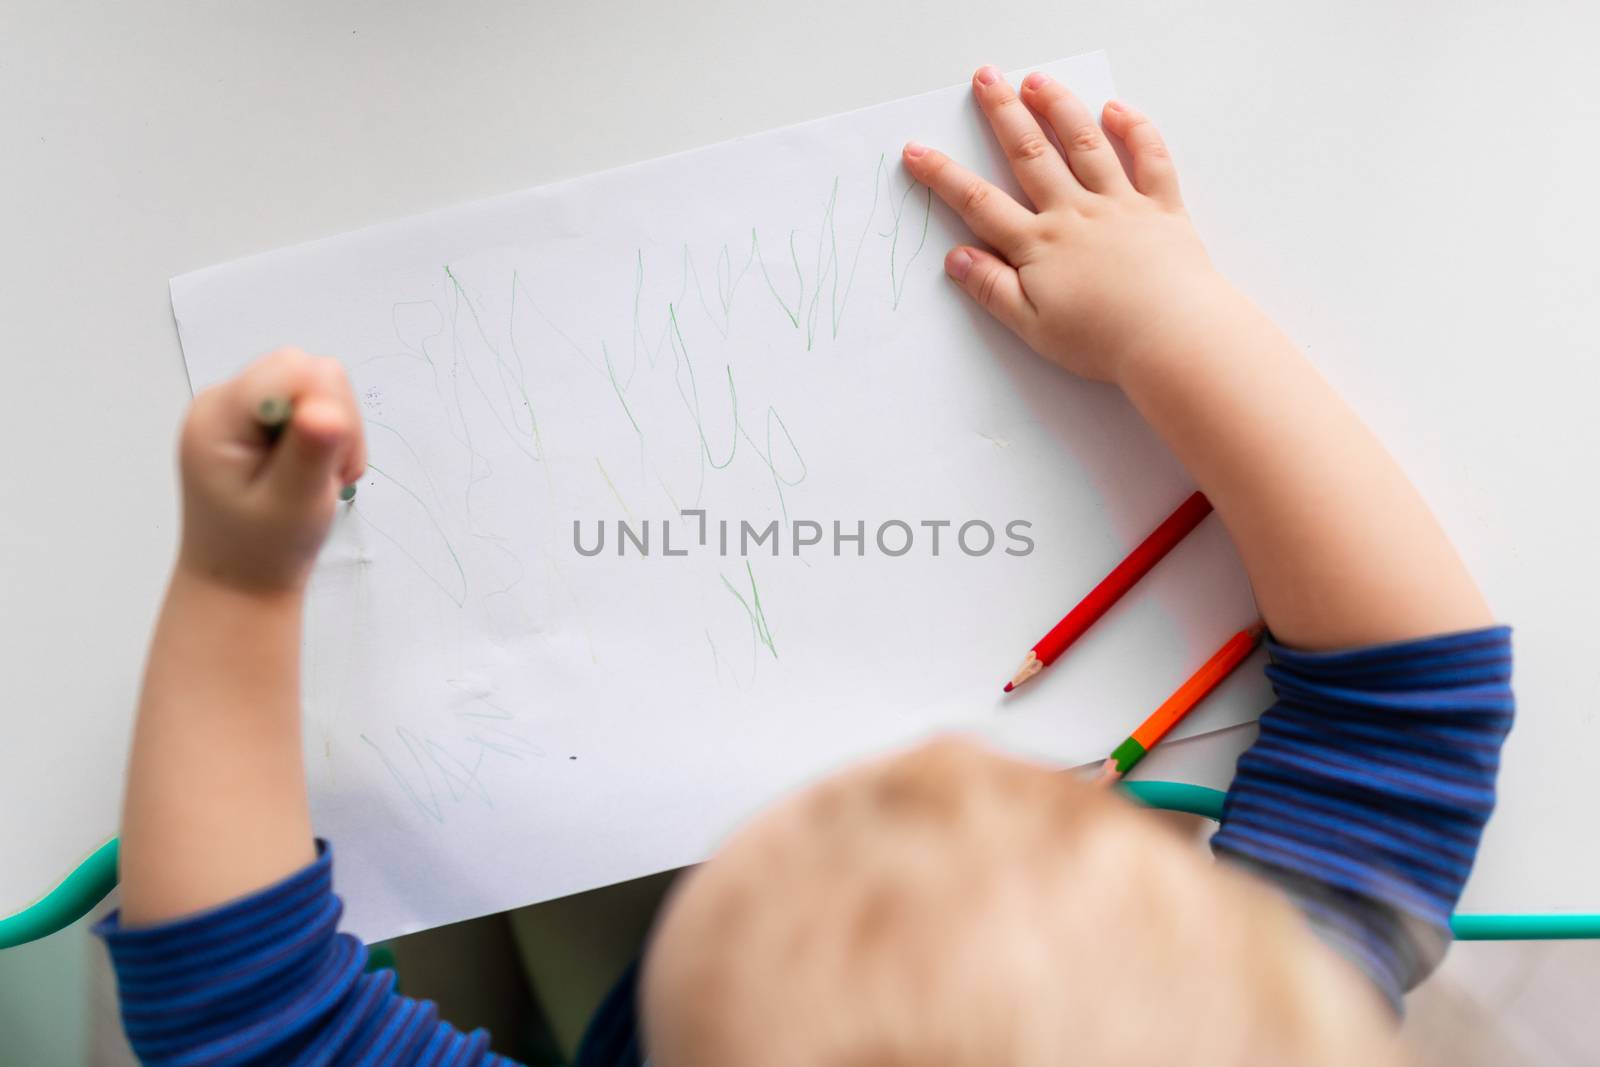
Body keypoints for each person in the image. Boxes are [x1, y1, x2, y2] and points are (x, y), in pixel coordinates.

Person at [97, 65, 1511, 1065]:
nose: (871, 758)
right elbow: (1414, 691)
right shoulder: (1242, 1035)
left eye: (778, 829)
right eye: (1025, 813)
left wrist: (234, 584)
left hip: (604, 969)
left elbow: (250, 1011)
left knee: (508, 891)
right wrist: (1173, 322)